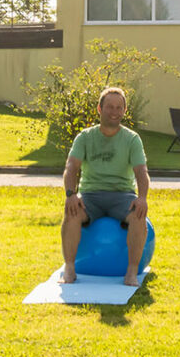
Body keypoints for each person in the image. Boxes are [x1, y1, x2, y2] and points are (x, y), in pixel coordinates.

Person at [61, 86, 150, 286]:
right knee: (71, 212)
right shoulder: (85, 137)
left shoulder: (131, 139)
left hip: (122, 196)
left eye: (119, 108)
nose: (114, 112)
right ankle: (69, 269)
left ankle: (131, 273)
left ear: (124, 111)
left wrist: (142, 197)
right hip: (91, 195)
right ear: (99, 110)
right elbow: (71, 166)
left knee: (138, 215)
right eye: (109, 107)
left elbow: (141, 172)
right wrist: (70, 194)